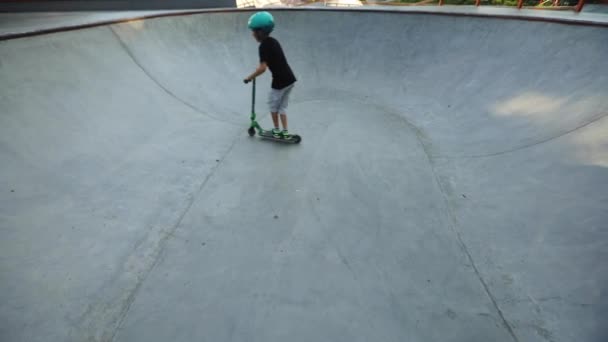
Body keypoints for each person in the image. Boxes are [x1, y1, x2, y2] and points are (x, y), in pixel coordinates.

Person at [244, 11, 297, 138]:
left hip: (279, 82)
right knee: (282, 107)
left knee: (273, 107)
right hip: (290, 79)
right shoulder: (274, 41)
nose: (252, 34)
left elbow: (263, 68)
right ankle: (285, 131)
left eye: (254, 31)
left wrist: (249, 77)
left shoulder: (263, 47)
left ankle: (277, 131)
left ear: (261, 32)